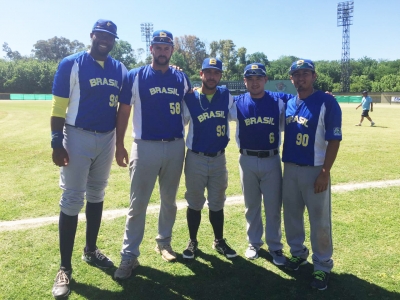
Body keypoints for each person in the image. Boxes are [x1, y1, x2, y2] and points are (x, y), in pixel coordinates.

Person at [50, 19, 127, 298]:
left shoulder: (120, 68)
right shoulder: (72, 63)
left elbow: (128, 102)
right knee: (72, 198)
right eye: (101, 35)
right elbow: (59, 105)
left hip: (105, 137)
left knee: (97, 193)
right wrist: (56, 142)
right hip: (77, 134)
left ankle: (91, 250)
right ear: (92, 35)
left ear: (114, 40)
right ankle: (64, 268)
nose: (105, 40)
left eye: (110, 36)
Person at [114, 30, 191, 280]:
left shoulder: (181, 77)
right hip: (144, 145)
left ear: (172, 51)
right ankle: (129, 255)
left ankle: (164, 242)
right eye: (157, 47)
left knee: (169, 200)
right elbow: (124, 112)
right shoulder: (136, 76)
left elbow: (194, 102)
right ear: (151, 50)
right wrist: (119, 144)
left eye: (166, 47)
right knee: (138, 204)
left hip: (175, 145)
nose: (162, 51)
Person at [282, 59, 342, 291]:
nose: (301, 78)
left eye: (305, 74)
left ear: (314, 76)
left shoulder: (326, 101)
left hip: (315, 169)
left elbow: (334, 140)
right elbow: (257, 90)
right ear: (291, 79)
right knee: (292, 215)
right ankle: (298, 253)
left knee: (319, 221)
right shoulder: (288, 101)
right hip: (290, 168)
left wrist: (325, 173)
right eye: (296, 75)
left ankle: (323, 264)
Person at [233, 63, 293, 264]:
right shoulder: (236, 102)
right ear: (245, 81)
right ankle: (253, 242)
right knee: (251, 206)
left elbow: (304, 99)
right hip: (246, 159)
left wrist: (324, 96)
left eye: (259, 78)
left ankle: (275, 246)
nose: (254, 81)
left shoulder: (279, 101)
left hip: (271, 159)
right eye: (250, 78)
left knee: (273, 206)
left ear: (266, 80)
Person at [181, 58, 237, 259]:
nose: (212, 76)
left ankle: (219, 240)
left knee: (217, 202)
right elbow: (179, 123)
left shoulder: (226, 96)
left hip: (219, 158)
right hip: (196, 157)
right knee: (194, 201)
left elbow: (246, 109)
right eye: (208, 72)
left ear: (220, 76)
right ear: (201, 73)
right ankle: (193, 241)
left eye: (216, 72)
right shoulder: (190, 98)